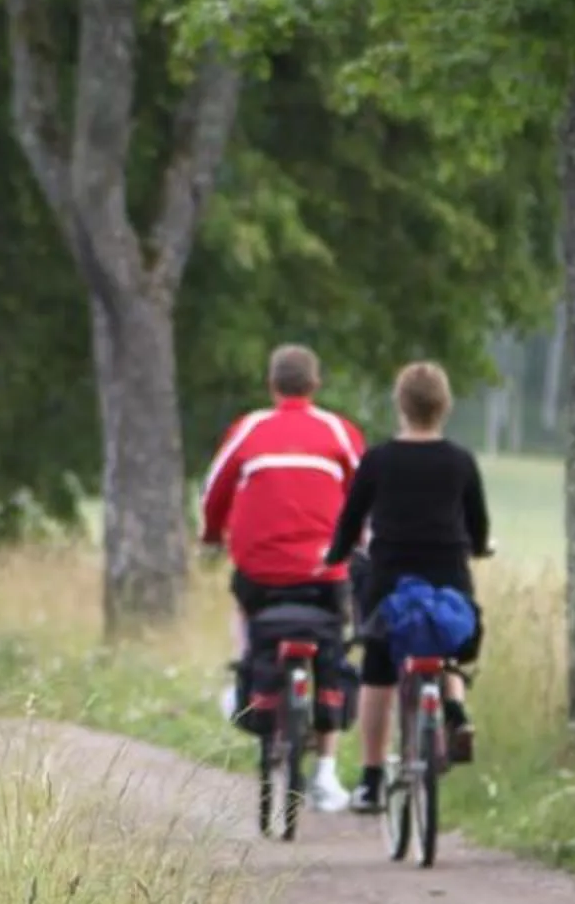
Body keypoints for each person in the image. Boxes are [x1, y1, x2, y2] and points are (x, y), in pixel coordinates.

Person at [199, 343, 367, 812]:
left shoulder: (250, 428)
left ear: (272, 385)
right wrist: (365, 542)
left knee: (244, 603)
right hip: (324, 571)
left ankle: (244, 676)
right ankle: (328, 773)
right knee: (335, 640)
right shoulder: (339, 431)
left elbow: (214, 489)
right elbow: (366, 493)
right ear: (315, 385)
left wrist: (212, 534)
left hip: (261, 573)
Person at [326, 360, 489, 813]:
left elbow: (350, 521)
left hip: (391, 584)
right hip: (448, 578)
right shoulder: (460, 461)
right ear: (445, 406)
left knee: (378, 669)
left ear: (400, 404)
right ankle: (453, 712)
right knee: (449, 646)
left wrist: (335, 554)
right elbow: (477, 527)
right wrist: (475, 546)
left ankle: (373, 777)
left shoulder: (378, 460)